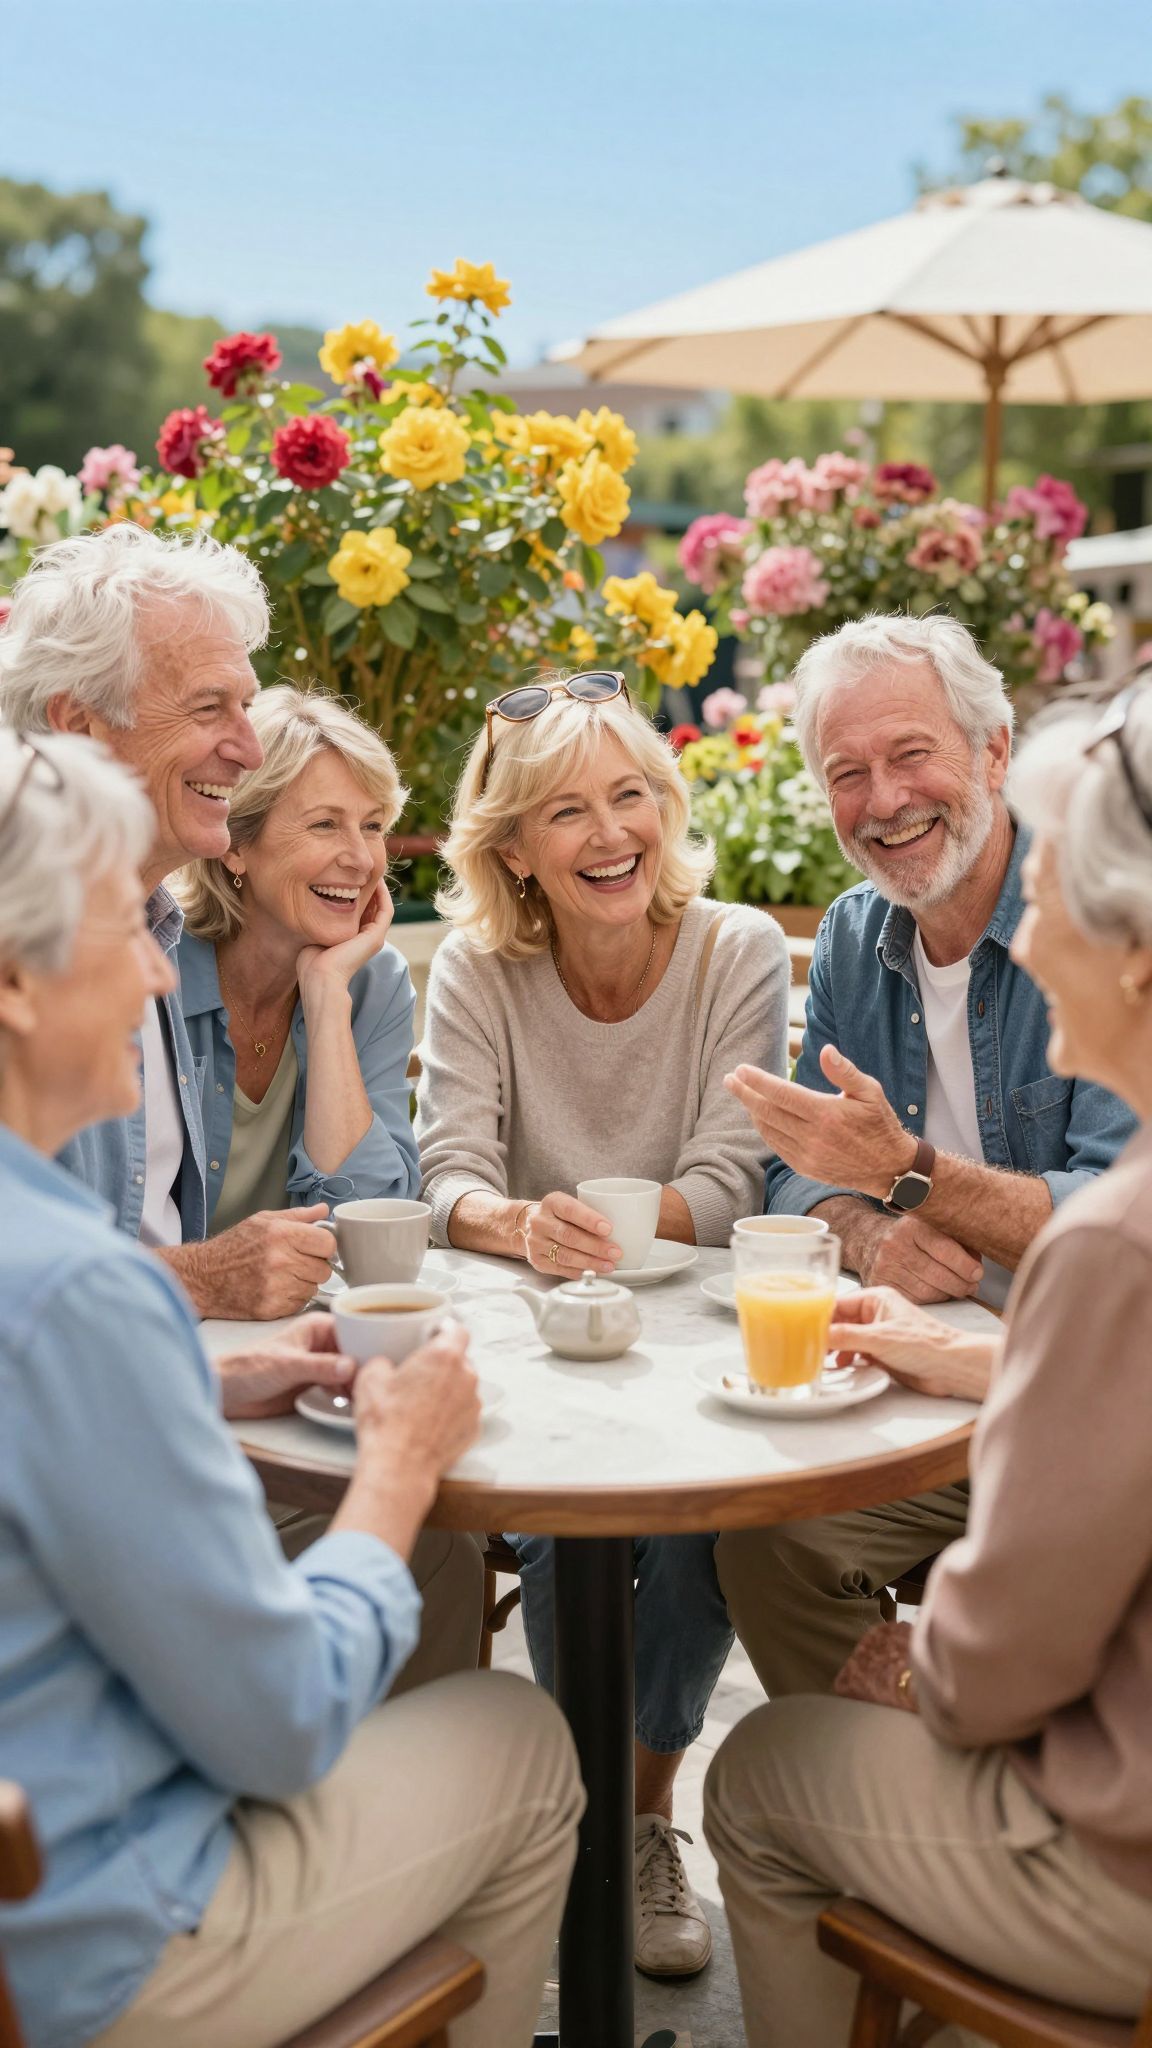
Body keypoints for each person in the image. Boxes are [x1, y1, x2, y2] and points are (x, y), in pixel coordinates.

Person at [0, 728, 582, 2048]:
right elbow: (276, 1721)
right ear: (17, 988)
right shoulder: (82, 1289)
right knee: (520, 1740)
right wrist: (396, 1470)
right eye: (116, 929)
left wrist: (202, 1391)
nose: (156, 968)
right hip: (98, 1942)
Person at [704, 683, 1152, 2048]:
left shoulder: (1114, 1242)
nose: (1035, 930)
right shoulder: (859, 937)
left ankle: (948, 1940)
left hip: (1121, 1862)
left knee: (759, 1778)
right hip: (1005, 1395)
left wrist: (919, 1679)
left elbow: (1001, 1657)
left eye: (1059, 895)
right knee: (782, 1534)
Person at [417, 670, 789, 1978]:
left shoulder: (734, 947)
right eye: (564, 811)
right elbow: (446, 1175)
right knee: (564, 1525)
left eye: (630, 795)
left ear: (666, 804)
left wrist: (617, 1227)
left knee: (711, 1524)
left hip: (696, 1341)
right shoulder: (475, 966)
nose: (609, 833)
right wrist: (514, 1228)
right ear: (511, 846)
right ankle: (583, 1819)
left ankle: (631, 1820)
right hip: (538, 1337)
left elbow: (734, 1180)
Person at [717, 616, 1134, 1696]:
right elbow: (796, 1167)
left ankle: (920, 1803)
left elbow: (1114, 1210)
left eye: (911, 753)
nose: (884, 799)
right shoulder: (859, 934)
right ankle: (881, 1791)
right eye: (846, 772)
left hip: (1083, 1391)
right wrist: (868, 1228)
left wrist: (908, 1173)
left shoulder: (1090, 920)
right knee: (766, 1536)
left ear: (995, 751)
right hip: (912, 1379)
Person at [0, 521, 337, 1318]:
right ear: (79, 724)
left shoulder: (154, 924)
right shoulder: (31, 949)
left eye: (247, 706)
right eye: (209, 707)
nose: (252, 750)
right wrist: (201, 1279)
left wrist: (217, 1378)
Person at [175, 686, 418, 1234]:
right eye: (324, 824)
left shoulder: (374, 982)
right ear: (234, 844)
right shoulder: (154, 973)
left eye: (373, 825)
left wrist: (328, 994)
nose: (360, 859)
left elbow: (374, 1220)